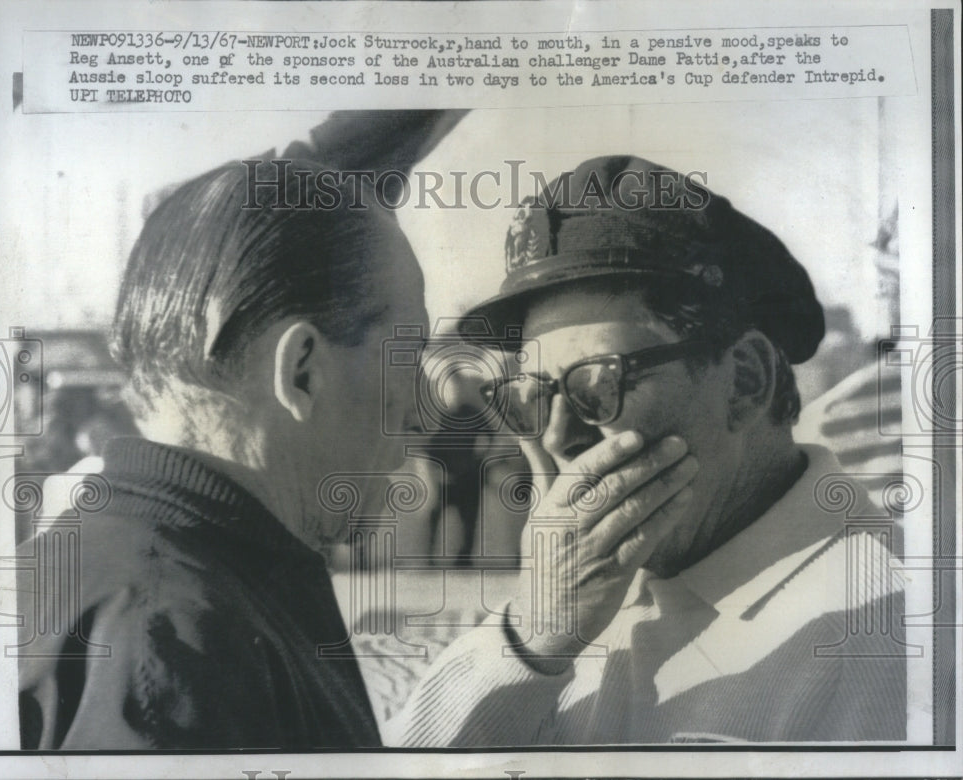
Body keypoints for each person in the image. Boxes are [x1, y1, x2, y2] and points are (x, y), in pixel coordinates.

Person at [389, 156, 908, 745]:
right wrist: (529, 640)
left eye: (600, 385)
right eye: (534, 396)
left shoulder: (891, 632)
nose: (559, 436)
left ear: (744, 379)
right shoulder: (573, 600)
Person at [17, 156, 430, 749]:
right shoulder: (184, 639)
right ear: (303, 371)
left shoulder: (78, 571)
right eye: (406, 357)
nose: (419, 411)